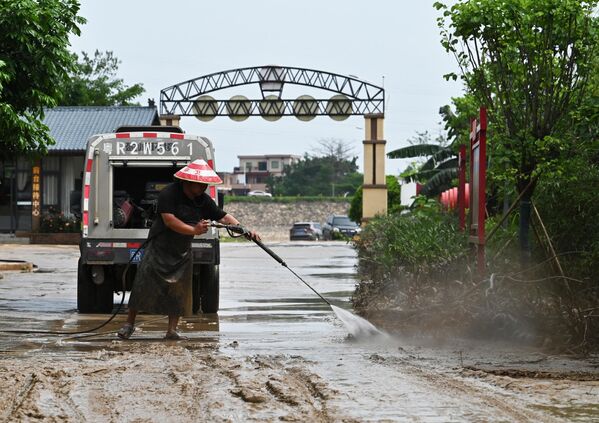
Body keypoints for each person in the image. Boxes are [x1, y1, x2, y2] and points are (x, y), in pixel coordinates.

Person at [117, 159, 259, 340]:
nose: (203, 187)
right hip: (159, 247)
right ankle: (129, 324)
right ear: (188, 182)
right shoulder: (169, 193)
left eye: (205, 184)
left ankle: (171, 330)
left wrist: (244, 230)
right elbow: (169, 220)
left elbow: (223, 217)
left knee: (178, 290)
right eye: (200, 184)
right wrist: (194, 230)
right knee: (142, 285)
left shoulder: (203, 201)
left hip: (181, 250)